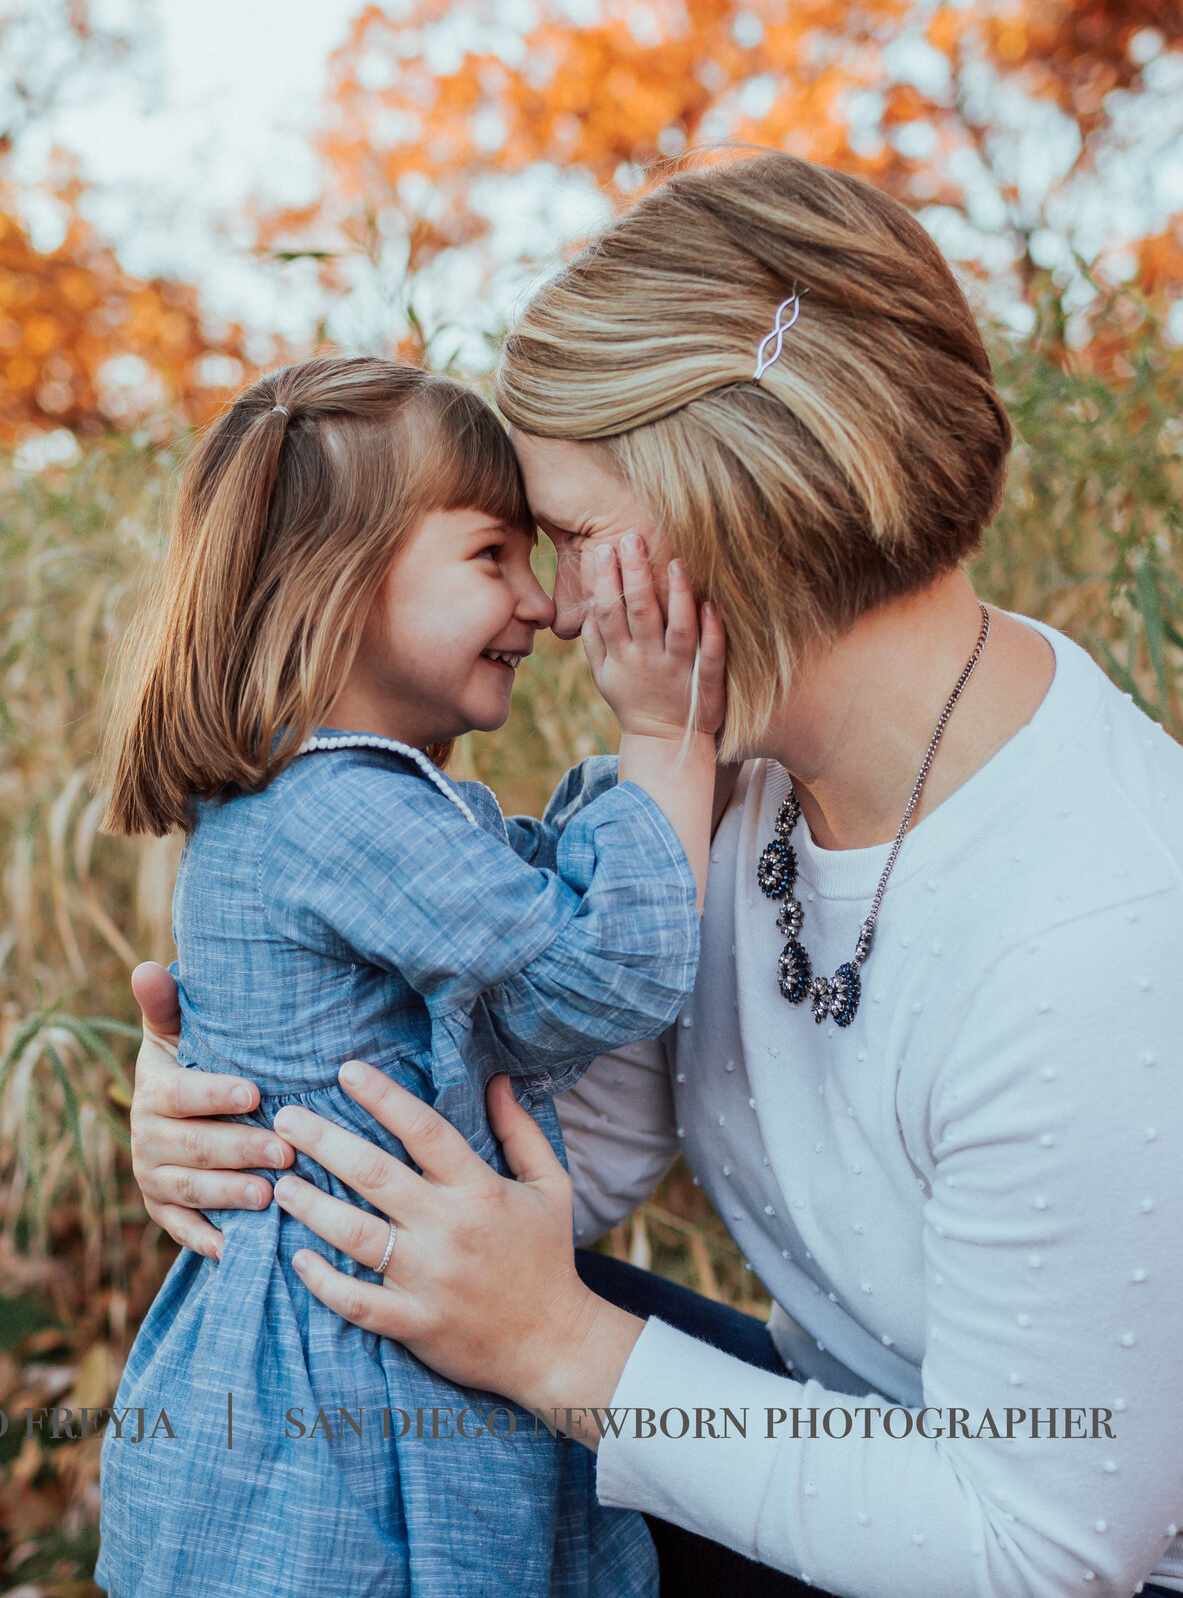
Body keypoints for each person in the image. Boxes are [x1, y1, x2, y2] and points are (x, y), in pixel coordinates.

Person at [124, 154, 1183, 1598]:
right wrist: (273, 1106)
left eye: (577, 536)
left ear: (729, 504)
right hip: (896, 1458)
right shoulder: (738, 779)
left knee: (514, 1357)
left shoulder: (1108, 934)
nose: (550, 607)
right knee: (383, 1364)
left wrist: (561, 1343)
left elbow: (1033, 1544)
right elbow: (574, 1153)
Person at [91, 355, 729, 1598]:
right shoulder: (340, 814)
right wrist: (665, 737)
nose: (539, 606)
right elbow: (605, 970)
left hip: (340, 1345)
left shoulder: (332, 799)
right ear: (335, 580)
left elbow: (530, 977)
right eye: (492, 555)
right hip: (348, 1402)